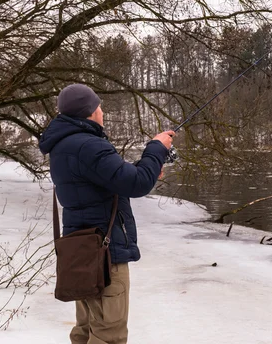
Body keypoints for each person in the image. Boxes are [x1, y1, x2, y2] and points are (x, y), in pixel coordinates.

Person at [38, 84, 174, 344]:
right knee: (109, 336)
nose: (102, 110)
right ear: (88, 111)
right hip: (104, 256)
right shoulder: (89, 145)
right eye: (98, 106)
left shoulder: (64, 145)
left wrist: (146, 167)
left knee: (86, 331)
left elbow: (109, 179)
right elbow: (135, 184)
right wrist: (156, 148)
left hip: (82, 253)